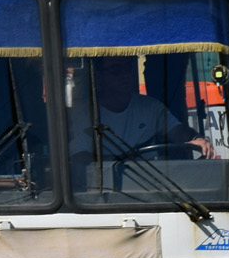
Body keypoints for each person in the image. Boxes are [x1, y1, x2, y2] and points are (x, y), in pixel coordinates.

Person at [70, 57, 216, 175]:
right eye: (116, 70)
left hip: (150, 184)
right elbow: (79, 157)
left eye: (128, 67)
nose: (125, 74)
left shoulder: (150, 107)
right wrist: (118, 162)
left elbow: (177, 131)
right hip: (104, 188)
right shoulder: (84, 113)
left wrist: (196, 139)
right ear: (99, 76)